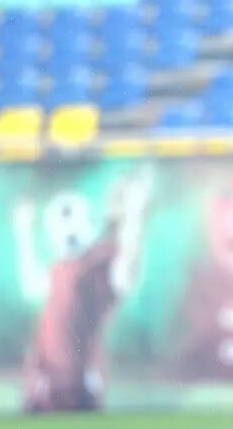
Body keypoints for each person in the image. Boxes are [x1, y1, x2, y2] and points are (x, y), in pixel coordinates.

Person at [14, 176, 150, 413]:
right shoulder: (65, 266)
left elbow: (126, 273)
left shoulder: (103, 262)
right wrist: (24, 232)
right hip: (44, 381)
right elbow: (33, 286)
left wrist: (135, 216)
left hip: (79, 384)